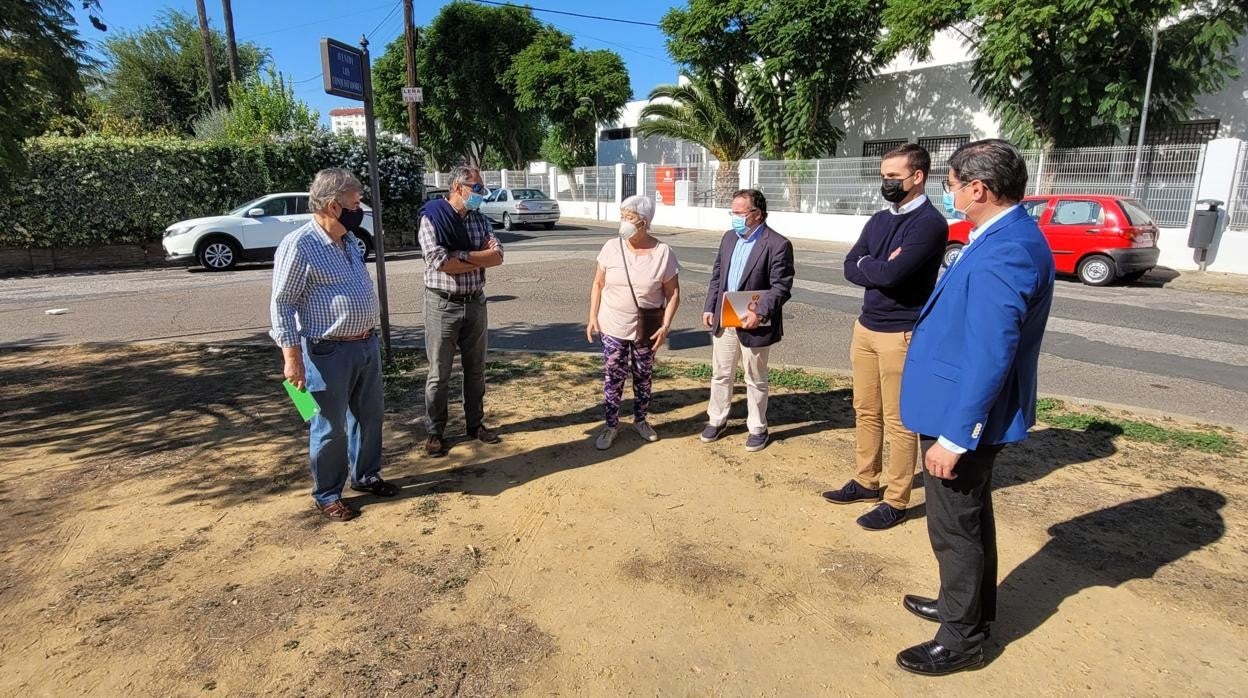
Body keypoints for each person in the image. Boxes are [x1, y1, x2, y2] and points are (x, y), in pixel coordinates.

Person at [895, 139, 1055, 676]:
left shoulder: (1006, 248)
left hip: (962, 416)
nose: (950, 191)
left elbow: (992, 351)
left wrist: (957, 436)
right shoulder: (1005, 236)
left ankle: (961, 639)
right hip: (959, 406)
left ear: (979, 189)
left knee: (954, 528)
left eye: (952, 183)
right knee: (971, 518)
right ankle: (968, 608)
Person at [823, 144, 948, 531]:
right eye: (884, 176)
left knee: (899, 420)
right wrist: (877, 264)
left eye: (894, 177)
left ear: (917, 177)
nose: (886, 183)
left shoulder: (929, 224)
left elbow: (894, 277)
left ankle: (896, 498)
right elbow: (850, 265)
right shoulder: (878, 221)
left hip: (902, 333)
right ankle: (866, 480)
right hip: (867, 327)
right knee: (865, 409)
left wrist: (874, 266)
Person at [270, 168, 398, 523]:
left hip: (365, 346)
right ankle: (327, 494)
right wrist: (291, 359)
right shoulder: (300, 245)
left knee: (369, 417)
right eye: (355, 202)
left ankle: (366, 475)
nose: (361, 209)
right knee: (329, 426)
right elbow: (282, 303)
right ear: (332, 205)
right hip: (328, 352)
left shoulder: (351, 241)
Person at [699, 189, 795, 452]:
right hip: (725, 318)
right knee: (721, 373)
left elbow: (781, 287)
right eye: (733, 212)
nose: (735, 218)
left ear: (757, 214)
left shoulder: (777, 244)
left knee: (755, 377)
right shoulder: (729, 238)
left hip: (755, 321)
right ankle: (716, 419)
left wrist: (760, 312)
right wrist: (711, 307)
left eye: (740, 213)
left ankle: (757, 427)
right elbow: (717, 276)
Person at [418, 165, 505, 457]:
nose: (482, 194)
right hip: (443, 304)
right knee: (439, 373)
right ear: (458, 188)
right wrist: (479, 258)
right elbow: (441, 262)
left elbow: (498, 256)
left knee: (476, 369)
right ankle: (435, 432)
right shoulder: (433, 218)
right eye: (477, 188)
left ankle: (475, 424)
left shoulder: (480, 220)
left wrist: (464, 255)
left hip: (475, 302)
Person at [586, 195, 680, 450]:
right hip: (612, 324)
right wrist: (592, 316)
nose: (623, 222)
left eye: (629, 217)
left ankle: (641, 420)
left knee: (643, 375)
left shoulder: (663, 253)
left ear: (644, 221)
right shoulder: (611, 247)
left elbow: (673, 294)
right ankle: (611, 425)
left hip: (646, 328)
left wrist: (666, 325)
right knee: (613, 375)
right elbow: (598, 283)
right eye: (622, 216)